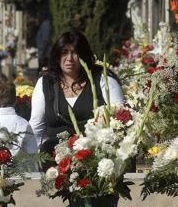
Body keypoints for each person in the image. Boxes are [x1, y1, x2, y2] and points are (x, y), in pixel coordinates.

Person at [28, 29, 124, 159]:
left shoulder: (103, 80)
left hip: (96, 158)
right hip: (55, 157)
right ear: (57, 56)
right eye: (64, 53)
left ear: (83, 55)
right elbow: (36, 127)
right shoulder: (45, 84)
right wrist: (31, 161)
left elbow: (121, 120)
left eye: (75, 53)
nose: (69, 59)